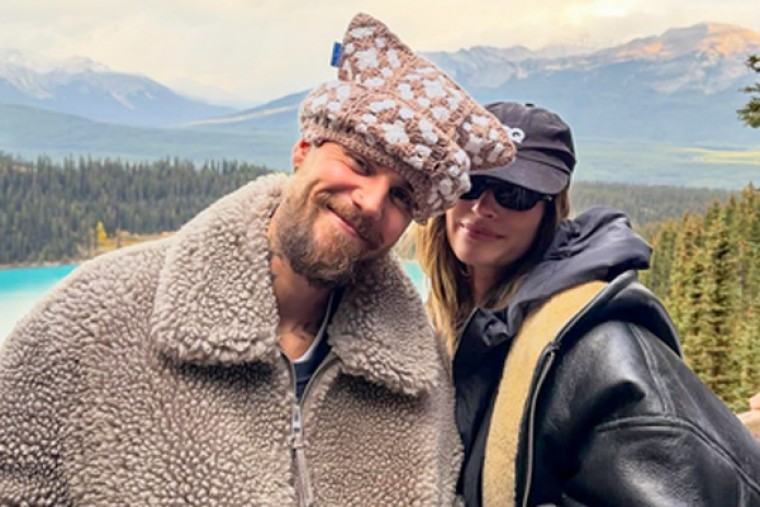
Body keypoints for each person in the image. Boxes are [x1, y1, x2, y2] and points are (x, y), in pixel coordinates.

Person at [0, 14, 518, 505]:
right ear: (303, 149)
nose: (370, 202)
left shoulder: (418, 374)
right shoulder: (95, 319)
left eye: (401, 196)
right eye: (359, 163)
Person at [414, 101, 760, 506]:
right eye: (471, 183)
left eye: (514, 194)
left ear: (550, 210)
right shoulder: (454, 327)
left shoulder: (604, 349)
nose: (483, 207)